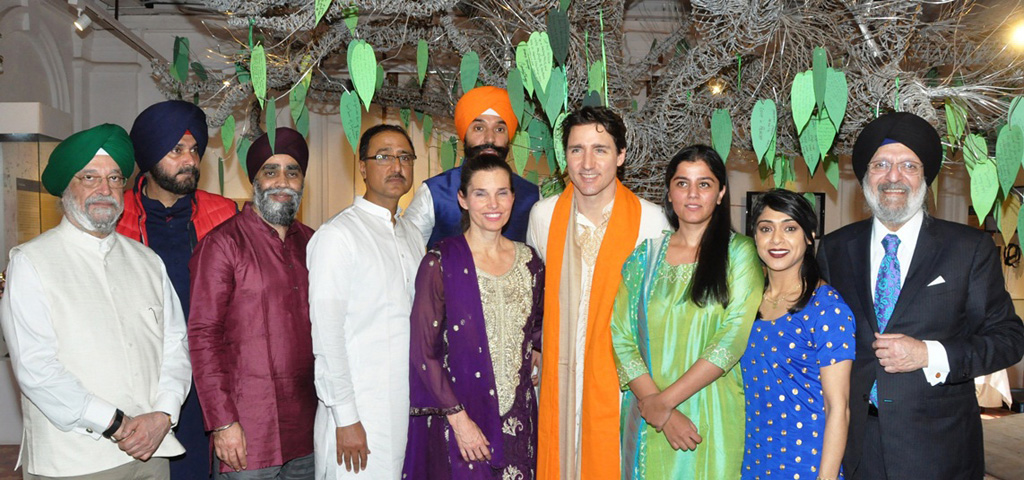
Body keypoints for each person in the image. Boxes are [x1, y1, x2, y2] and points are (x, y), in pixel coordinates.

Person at [817, 112, 1024, 479]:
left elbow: (1009, 339)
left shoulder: (968, 248)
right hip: (857, 448)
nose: (893, 177)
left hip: (939, 450)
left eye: (908, 165)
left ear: (924, 178)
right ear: (865, 177)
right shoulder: (835, 249)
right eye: (880, 164)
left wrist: (929, 353)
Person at [0, 124, 191, 479]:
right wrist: (116, 423)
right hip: (74, 460)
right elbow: (37, 369)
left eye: (115, 178)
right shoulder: (31, 262)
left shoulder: (147, 260)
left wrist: (164, 414)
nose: (105, 189)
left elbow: (175, 345)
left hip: (152, 450)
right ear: (65, 187)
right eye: (89, 177)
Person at [527, 106, 670, 480]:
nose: (587, 162)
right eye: (577, 150)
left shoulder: (650, 220)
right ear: (565, 156)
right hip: (556, 380)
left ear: (620, 156)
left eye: (600, 149)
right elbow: (536, 299)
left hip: (621, 384)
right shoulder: (543, 215)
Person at [609, 145, 762, 479]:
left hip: (711, 413)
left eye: (704, 184)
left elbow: (732, 340)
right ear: (669, 192)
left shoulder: (740, 254)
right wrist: (656, 406)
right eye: (682, 183)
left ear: (721, 193)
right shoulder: (643, 258)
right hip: (646, 413)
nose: (693, 194)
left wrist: (666, 404)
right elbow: (621, 336)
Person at [403, 154, 544, 479]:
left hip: (518, 423)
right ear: (463, 199)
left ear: (513, 197)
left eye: (502, 192)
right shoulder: (441, 262)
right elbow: (424, 353)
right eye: (480, 193)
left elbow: (537, 327)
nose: (493, 204)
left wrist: (538, 348)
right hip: (460, 421)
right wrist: (460, 421)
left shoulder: (530, 262)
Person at [117, 99, 238, 478]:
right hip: (142, 376)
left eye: (194, 150)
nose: (190, 160)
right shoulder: (115, 217)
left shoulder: (225, 214)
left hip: (209, 375)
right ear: (150, 155)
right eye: (176, 150)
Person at [188, 127, 317, 479]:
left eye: (293, 172)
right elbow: (202, 336)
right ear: (254, 180)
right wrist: (222, 422)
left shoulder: (313, 243)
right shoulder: (222, 244)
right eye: (270, 171)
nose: (282, 181)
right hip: (246, 431)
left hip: (307, 429)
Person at [307, 124, 425, 479]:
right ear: (362, 167)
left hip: (405, 408)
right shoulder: (338, 236)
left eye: (405, 157)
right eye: (384, 156)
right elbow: (327, 337)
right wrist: (346, 418)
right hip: (358, 414)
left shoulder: (412, 235)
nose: (396, 166)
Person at [741, 188, 854, 480]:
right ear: (755, 236)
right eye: (766, 228)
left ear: (809, 236)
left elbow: (837, 407)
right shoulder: (746, 300)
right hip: (749, 460)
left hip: (805, 465)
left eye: (790, 228)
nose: (776, 240)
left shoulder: (827, 308)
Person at [404, 86, 540, 248]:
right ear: (464, 135)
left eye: (499, 129)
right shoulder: (434, 193)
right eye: (479, 128)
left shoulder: (532, 196)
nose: (490, 138)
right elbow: (406, 257)